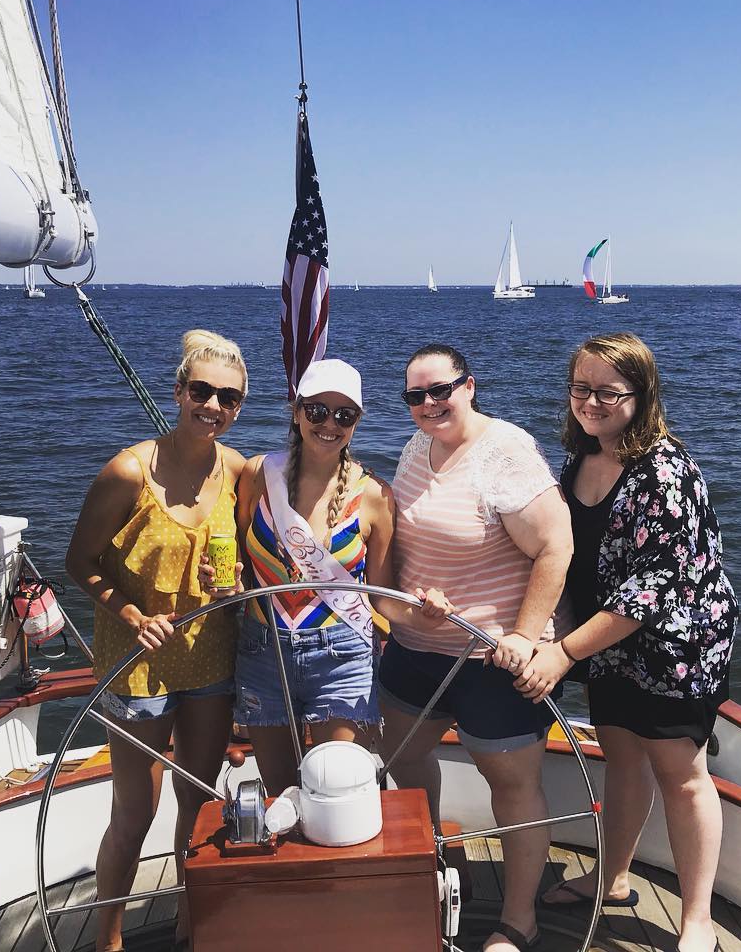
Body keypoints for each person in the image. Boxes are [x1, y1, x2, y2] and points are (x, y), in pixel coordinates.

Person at [517, 333, 738, 952]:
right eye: (581, 388)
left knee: (681, 774)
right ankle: (611, 879)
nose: (592, 402)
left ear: (642, 396)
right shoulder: (578, 459)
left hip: (674, 652)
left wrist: (561, 653)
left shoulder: (666, 472)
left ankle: (697, 921)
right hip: (604, 646)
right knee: (621, 761)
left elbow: (653, 589)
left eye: (609, 392)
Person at [378, 343, 573, 952]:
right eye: (416, 396)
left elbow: (556, 546)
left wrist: (523, 635)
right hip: (415, 644)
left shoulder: (504, 452)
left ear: (470, 385)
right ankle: (433, 865)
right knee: (405, 761)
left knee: (512, 786)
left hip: (492, 659)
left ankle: (518, 921)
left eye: (442, 390)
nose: (430, 404)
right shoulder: (419, 447)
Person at [64, 329, 249, 952]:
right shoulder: (128, 471)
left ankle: (191, 926)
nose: (213, 407)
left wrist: (238, 582)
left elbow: (249, 560)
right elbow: (79, 562)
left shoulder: (240, 472)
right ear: (178, 392)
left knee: (197, 807)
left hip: (210, 657)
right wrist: (132, 612)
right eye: (202, 392)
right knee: (133, 813)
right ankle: (108, 941)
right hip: (136, 665)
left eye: (228, 398)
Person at [231, 357, 395, 793]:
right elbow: (242, 565)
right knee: (281, 791)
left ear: (357, 422)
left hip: (342, 654)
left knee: (337, 788)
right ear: (297, 410)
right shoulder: (258, 476)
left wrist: (433, 607)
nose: (330, 424)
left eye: (345, 415)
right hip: (263, 651)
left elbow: (383, 597)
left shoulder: (376, 497)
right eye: (317, 410)